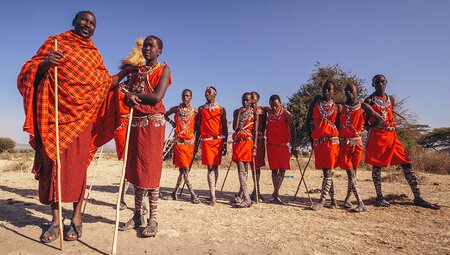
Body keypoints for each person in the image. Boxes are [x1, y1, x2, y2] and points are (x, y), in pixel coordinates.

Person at [17, 11, 134, 243]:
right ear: (74, 21)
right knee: (54, 169)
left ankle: (77, 218)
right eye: (84, 20)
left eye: (92, 23)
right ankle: (54, 221)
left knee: (78, 169)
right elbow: (27, 73)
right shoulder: (56, 43)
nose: (87, 25)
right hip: (55, 118)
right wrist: (45, 63)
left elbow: (104, 83)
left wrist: (124, 73)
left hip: (82, 121)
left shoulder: (93, 54)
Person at [119, 35, 172, 237]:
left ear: (159, 51)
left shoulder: (163, 70)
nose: (148, 48)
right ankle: (138, 215)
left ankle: (153, 218)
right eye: (146, 45)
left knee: (150, 169)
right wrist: (126, 94)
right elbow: (125, 92)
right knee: (136, 169)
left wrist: (133, 96)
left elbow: (157, 97)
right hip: (136, 122)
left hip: (153, 123)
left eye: (152, 46)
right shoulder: (136, 73)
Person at [364, 74, 439, 209]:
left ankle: (418, 197)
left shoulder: (391, 99)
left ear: (386, 82)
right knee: (377, 166)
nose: (380, 84)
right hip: (378, 137)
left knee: (406, 163)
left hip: (392, 136)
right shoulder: (369, 101)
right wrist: (376, 124)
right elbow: (365, 125)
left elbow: (391, 114)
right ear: (372, 84)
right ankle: (379, 197)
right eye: (376, 82)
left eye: (382, 81)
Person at [337, 82, 383, 212]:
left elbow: (380, 119)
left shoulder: (363, 106)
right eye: (346, 91)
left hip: (357, 143)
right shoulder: (341, 107)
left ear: (357, 91)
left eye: (351, 90)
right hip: (344, 143)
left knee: (353, 173)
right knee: (350, 172)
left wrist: (367, 128)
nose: (348, 93)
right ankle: (360, 202)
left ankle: (348, 199)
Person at [306, 81, 341, 211]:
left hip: (332, 141)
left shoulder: (338, 106)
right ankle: (333, 200)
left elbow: (339, 124)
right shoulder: (315, 104)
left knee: (327, 170)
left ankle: (322, 200)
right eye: (324, 89)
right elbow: (307, 121)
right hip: (319, 141)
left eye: (329, 89)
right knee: (326, 171)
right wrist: (311, 137)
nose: (326, 91)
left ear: (333, 91)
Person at [164, 89, 200, 204]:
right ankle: (193, 195)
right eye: (184, 95)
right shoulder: (176, 109)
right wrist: (172, 123)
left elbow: (198, 126)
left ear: (191, 97)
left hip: (190, 144)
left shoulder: (195, 111)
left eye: (187, 96)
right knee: (184, 169)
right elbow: (164, 114)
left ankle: (174, 193)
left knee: (183, 170)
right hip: (179, 143)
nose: (185, 97)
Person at [195, 86, 228, 206]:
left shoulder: (221, 109)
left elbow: (225, 127)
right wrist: (196, 142)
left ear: (215, 94)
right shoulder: (201, 109)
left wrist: (225, 143)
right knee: (210, 168)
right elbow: (198, 127)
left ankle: (212, 191)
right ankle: (213, 196)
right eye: (206, 92)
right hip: (206, 141)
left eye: (209, 92)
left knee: (216, 167)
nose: (207, 94)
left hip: (218, 141)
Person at [265, 95, 297, 204]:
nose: (274, 108)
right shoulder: (269, 111)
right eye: (272, 105)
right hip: (271, 146)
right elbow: (261, 107)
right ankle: (276, 194)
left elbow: (293, 130)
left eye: (276, 105)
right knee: (274, 170)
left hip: (283, 146)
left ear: (281, 104)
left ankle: (276, 192)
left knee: (282, 170)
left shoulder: (286, 114)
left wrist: (294, 146)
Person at [231, 92, 258, 208]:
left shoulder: (255, 113)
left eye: (247, 100)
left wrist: (255, 146)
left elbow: (255, 131)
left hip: (248, 142)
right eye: (243, 100)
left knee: (244, 170)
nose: (245, 102)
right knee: (241, 168)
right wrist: (239, 114)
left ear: (251, 101)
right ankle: (245, 197)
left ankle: (244, 196)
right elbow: (235, 128)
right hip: (238, 143)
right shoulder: (236, 111)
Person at [250, 91, 266, 202]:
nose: (251, 100)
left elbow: (264, 126)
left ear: (257, 99)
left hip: (259, 141)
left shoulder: (262, 111)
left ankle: (257, 190)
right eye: (249, 98)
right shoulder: (245, 111)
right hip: (247, 141)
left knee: (257, 167)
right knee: (246, 166)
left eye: (253, 98)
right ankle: (243, 190)